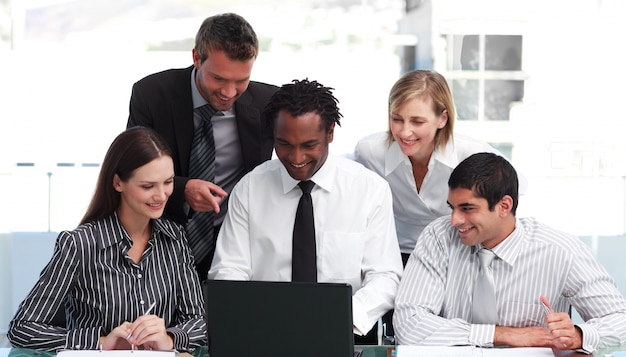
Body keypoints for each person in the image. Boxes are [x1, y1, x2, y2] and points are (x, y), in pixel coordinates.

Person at [208, 79, 403, 344]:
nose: (296, 157)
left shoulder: (370, 190)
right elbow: (229, 272)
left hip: (346, 333)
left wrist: (339, 318)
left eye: (309, 145)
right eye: (284, 144)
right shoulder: (250, 189)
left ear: (331, 133)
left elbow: (385, 276)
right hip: (264, 335)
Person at [393, 152, 626, 353]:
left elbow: (621, 321)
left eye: (467, 208)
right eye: (452, 207)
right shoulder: (439, 237)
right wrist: (503, 334)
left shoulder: (560, 250)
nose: (455, 220)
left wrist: (579, 334)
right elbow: (408, 324)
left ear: (504, 206)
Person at [7, 127, 206, 352]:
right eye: (148, 186)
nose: (161, 195)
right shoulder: (80, 244)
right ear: (118, 183)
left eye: (168, 182)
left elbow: (198, 322)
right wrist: (102, 342)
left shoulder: (175, 238)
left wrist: (169, 338)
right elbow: (22, 328)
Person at [127, 13, 278, 279]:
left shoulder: (269, 103)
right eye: (219, 79)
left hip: (238, 249)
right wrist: (182, 189)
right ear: (197, 58)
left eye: (241, 81)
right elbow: (132, 169)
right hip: (160, 246)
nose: (229, 92)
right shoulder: (152, 94)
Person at [354, 69, 526, 266]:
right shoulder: (370, 151)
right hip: (394, 255)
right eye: (397, 119)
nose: (404, 132)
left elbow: (515, 189)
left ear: (442, 119)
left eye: (417, 122)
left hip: (457, 255)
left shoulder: (470, 153)